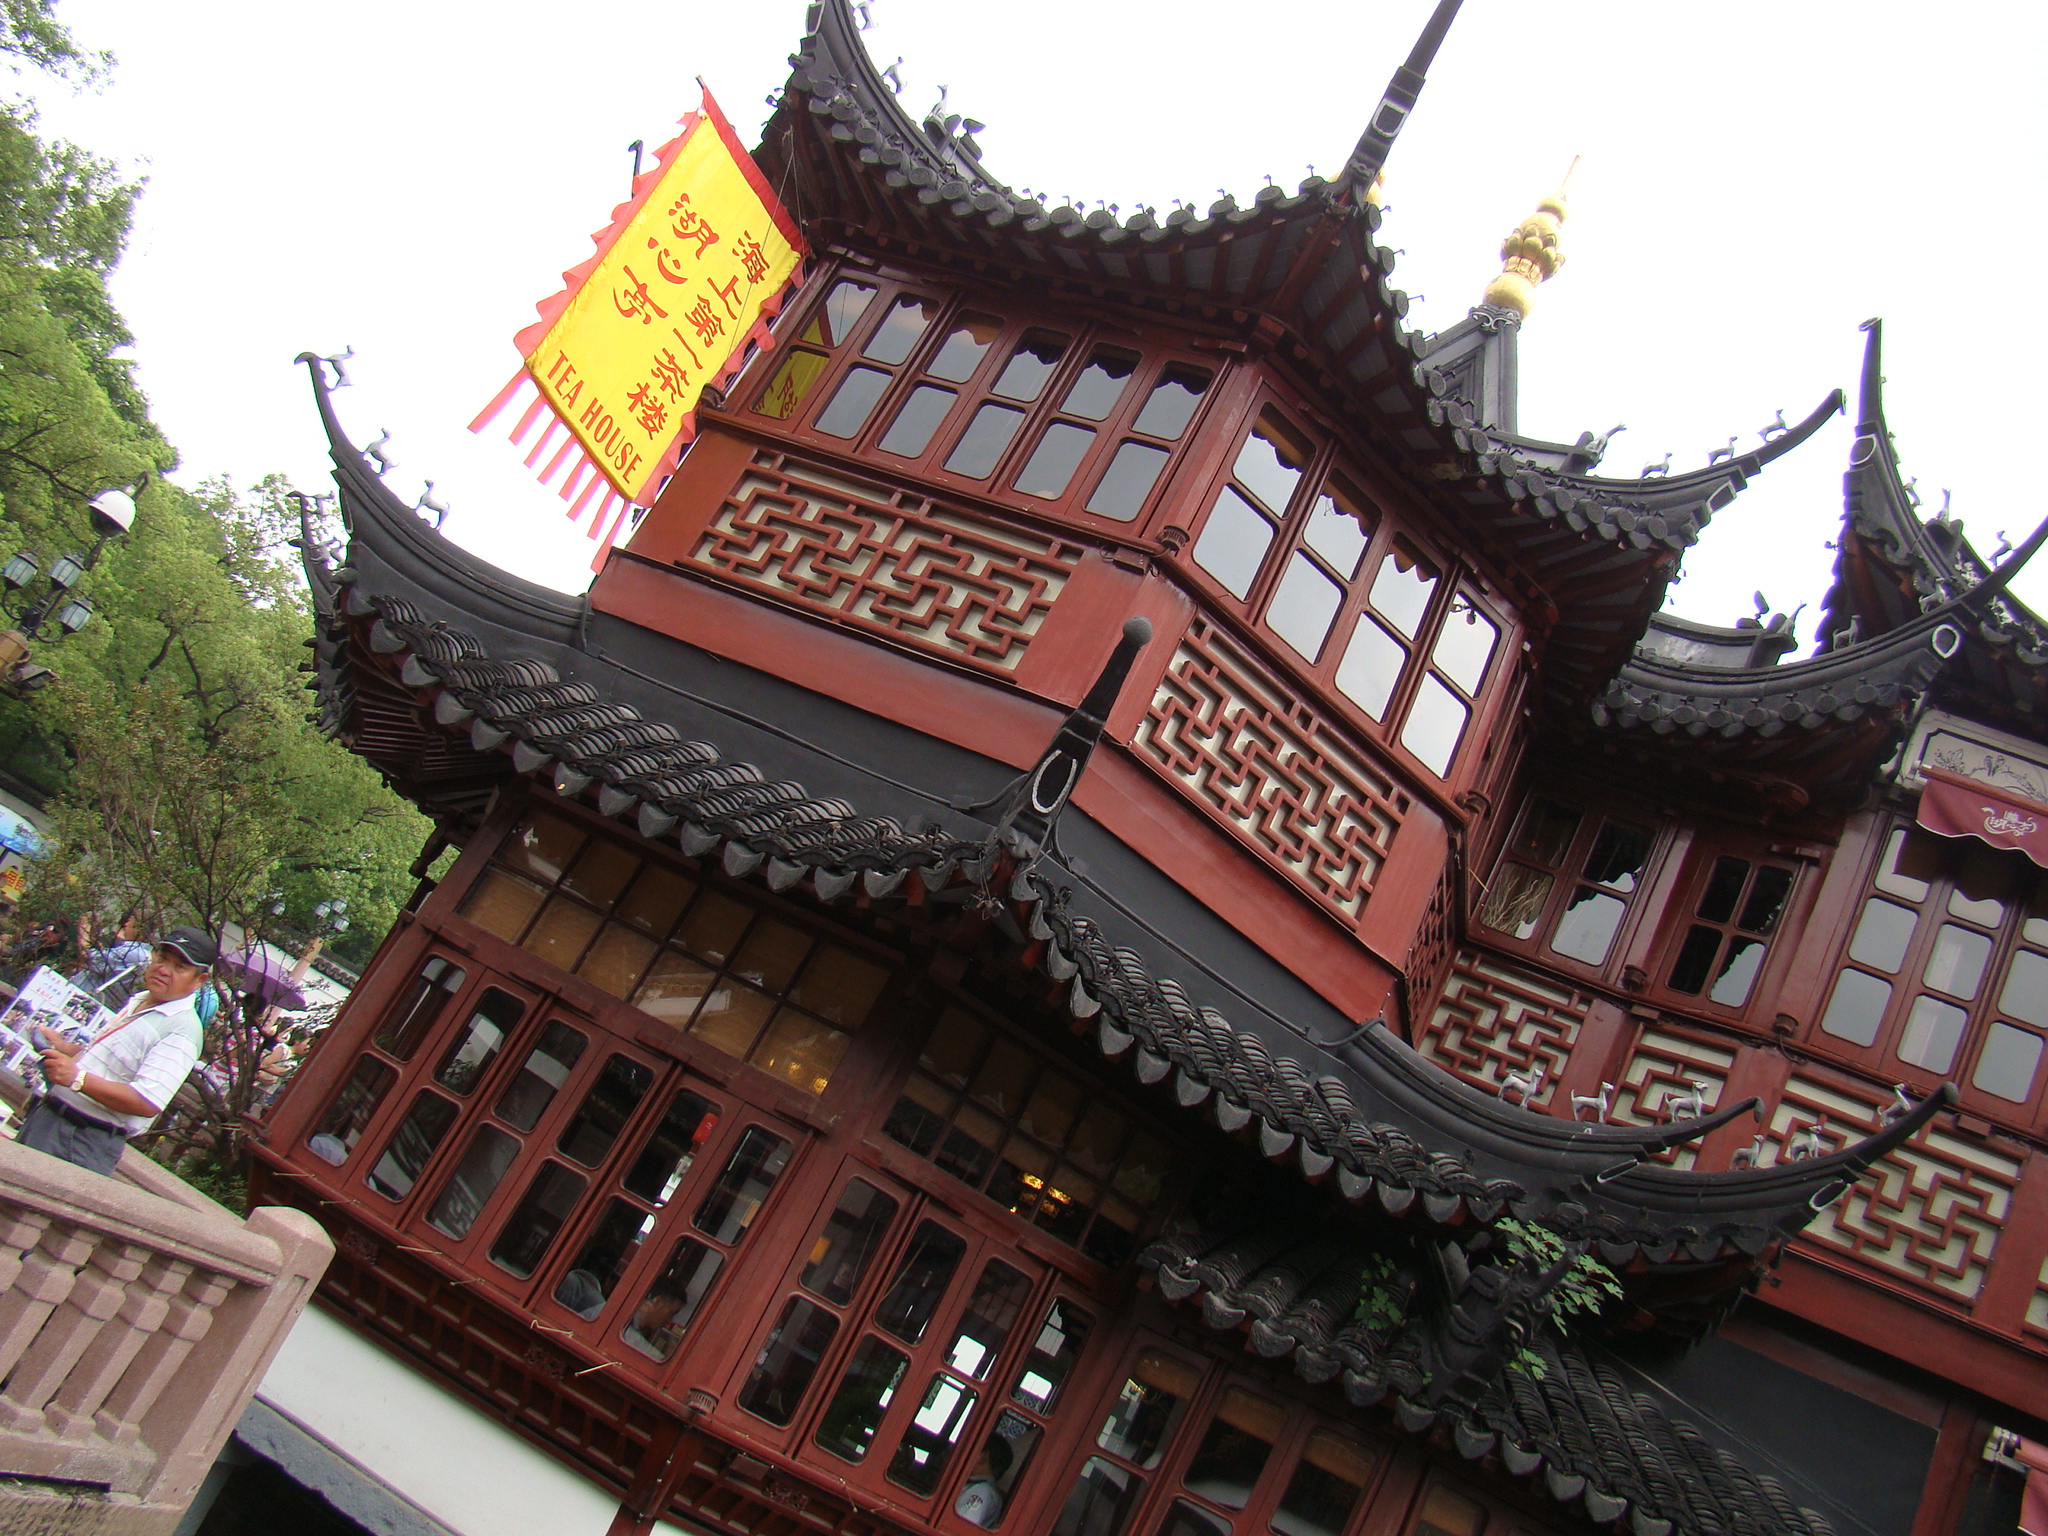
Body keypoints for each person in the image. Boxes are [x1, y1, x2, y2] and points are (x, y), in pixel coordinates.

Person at [21, 926, 216, 1175]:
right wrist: (62, 1047)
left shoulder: (182, 1029)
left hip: (80, 1137)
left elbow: (147, 1101)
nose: (164, 970)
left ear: (199, 980)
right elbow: (107, 1061)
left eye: (180, 967)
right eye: (162, 958)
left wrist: (77, 1079)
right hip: (49, 1117)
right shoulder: (142, 1000)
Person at [69, 908, 150, 994]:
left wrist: (84, 928)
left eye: (130, 924)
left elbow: (89, 956)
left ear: (139, 930)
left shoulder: (134, 953)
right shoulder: (137, 952)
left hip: (85, 994)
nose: (125, 925)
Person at [953, 1435, 1012, 1527]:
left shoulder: (982, 1491)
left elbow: (958, 1527)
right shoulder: (975, 1486)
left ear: (983, 1457)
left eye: (970, 1448)